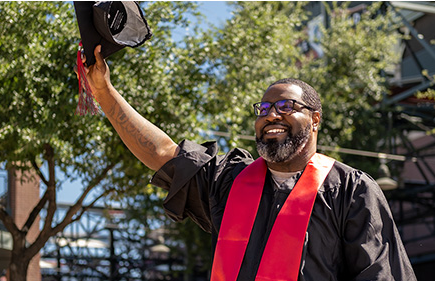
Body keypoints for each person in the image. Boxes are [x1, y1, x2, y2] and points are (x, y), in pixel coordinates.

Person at [81, 45, 417, 281]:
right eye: (264, 109)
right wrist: (105, 92)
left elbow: (382, 274)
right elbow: (164, 154)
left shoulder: (350, 190)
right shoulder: (230, 180)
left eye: (286, 106)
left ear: (315, 119)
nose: (271, 115)